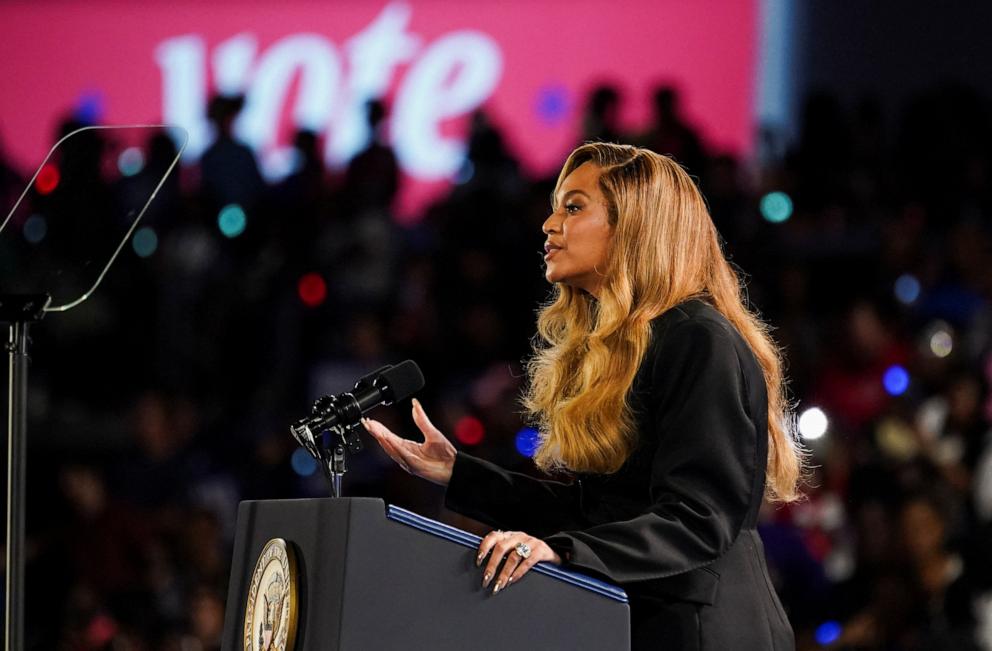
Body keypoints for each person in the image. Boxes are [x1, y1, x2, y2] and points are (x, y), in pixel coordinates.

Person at [363, 142, 802, 650]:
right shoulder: (629, 345)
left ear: (635, 225)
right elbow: (599, 514)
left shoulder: (698, 338)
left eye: (573, 207)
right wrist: (457, 472)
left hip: (705, 630)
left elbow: (698, 520)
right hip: (635, 619)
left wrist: (565, 553)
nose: (549, 225)